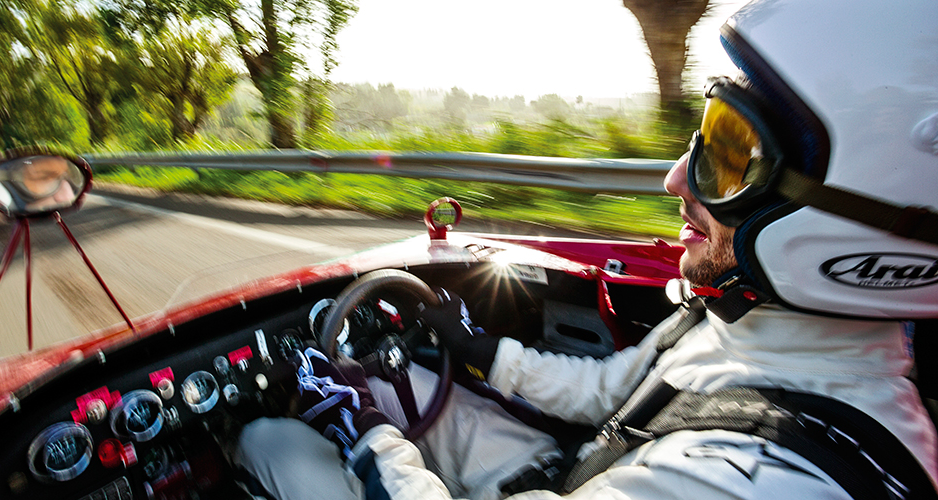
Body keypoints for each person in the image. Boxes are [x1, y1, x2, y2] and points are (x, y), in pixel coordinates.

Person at [237, 0, 938, 498]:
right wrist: (479, 351)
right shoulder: (750, 324)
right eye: (704, 139)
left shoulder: (765, 481)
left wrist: (366, 437)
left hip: (571, 475)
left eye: (730, 153)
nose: (674, 180)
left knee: (275, 442)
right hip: (575, 465)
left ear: (839, 211)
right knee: (399, 385)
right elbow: (611, 389)